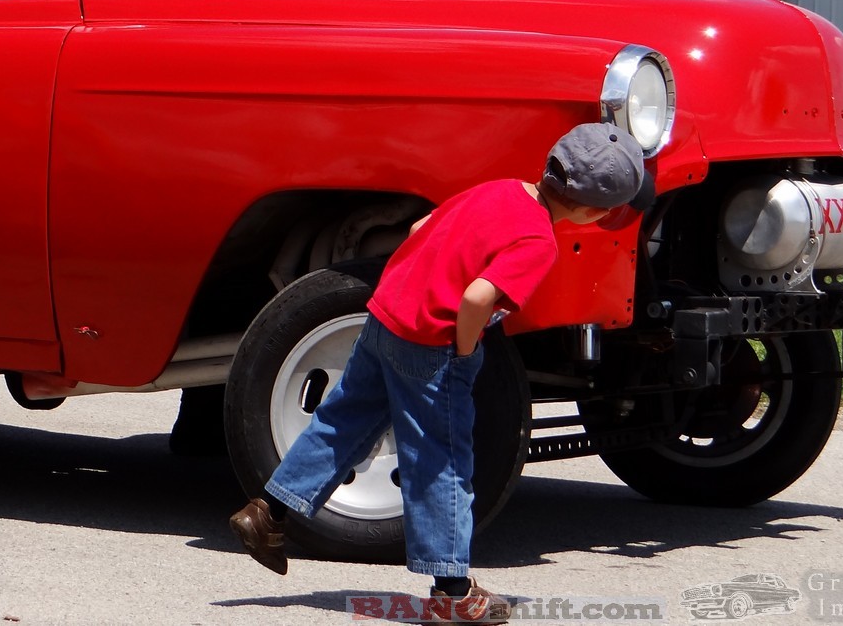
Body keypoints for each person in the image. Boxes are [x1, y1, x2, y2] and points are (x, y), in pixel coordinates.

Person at [228, 123, 651, 623]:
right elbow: (477, 297)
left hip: (385, 315)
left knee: (342, 420)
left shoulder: (498, 190)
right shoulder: (539, 241)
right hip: (432, 344)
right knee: (442, 462)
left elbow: (418, 229)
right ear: (593, 213)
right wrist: (465, 345)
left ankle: (268, 513)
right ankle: (452, 590)